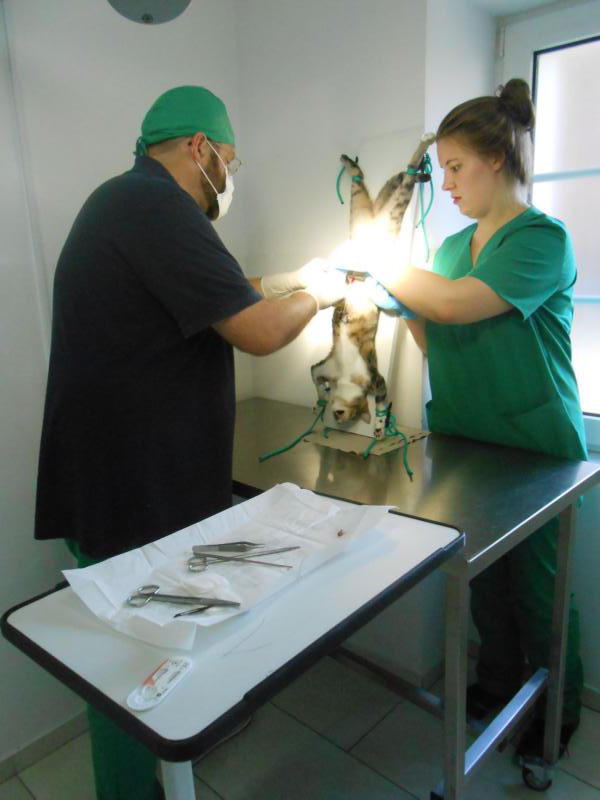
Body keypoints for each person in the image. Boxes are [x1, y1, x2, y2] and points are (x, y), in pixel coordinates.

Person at [34, 85, 345, 800]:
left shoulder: (125, 201)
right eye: (229, 160)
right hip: (129, 488)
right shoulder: (158, 206)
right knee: (125, 669)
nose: (229, 178)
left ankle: (152, 773)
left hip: (115, 476)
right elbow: (257, 332)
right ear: (200, 148)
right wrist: (319, 296)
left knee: (134, 654)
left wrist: (290, 279)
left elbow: (218, 287)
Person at [332, 78, 586, 760]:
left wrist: (384, 263)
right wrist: (392, 298)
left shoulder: (542, 241)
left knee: (540, 590)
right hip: (468, 439)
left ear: (495, 159)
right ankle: (498, 685)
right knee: (483, 581)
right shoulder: (450, 253)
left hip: (536, 447)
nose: (444, 184)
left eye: (454, 167)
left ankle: (556, 713)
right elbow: (434, 333)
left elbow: (451, 305)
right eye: (442, 169)